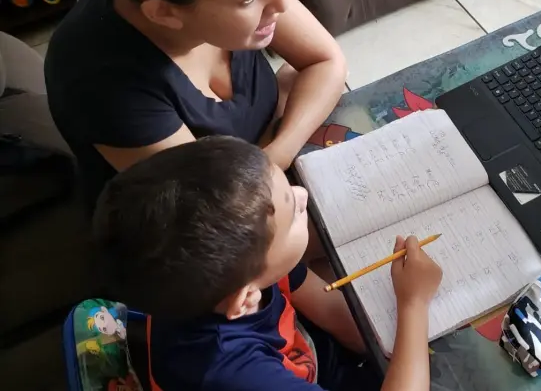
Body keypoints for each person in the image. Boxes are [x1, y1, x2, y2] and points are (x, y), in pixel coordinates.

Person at [93, 136, 442, 390]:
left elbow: (332, 312)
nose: (304, 195)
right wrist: (413, 305)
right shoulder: (229, 369)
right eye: (293, 212)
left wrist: (384, 343)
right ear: (245, 298)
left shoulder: (237, 270)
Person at [46, 0, 346, 212]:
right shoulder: (103, 86)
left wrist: (276, 153)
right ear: (164, 13)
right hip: (191, 226)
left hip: (255, 173)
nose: (281, 3)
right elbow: (217, 206)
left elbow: (326, 61)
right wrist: (275, 155)